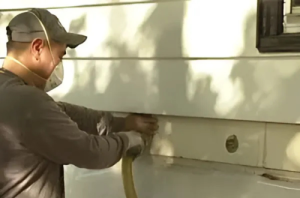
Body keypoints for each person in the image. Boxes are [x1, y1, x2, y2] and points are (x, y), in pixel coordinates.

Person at [0, 8, 159, 198]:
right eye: (60, 55)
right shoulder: (28, 101)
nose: (58, 65)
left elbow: (64, 113)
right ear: (37, 48)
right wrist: (128, 140)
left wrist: (123, 123)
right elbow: (89, 152)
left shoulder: (10, 92)